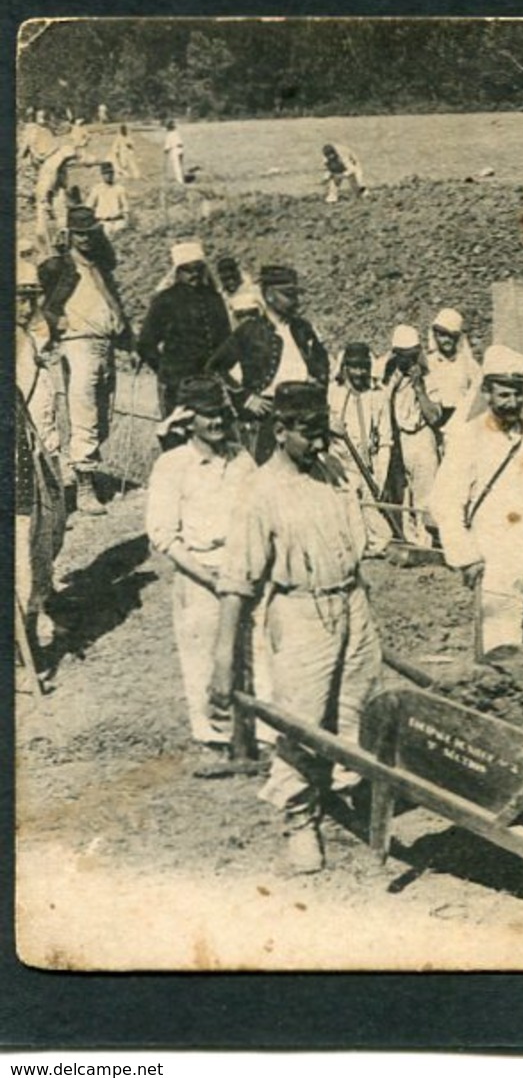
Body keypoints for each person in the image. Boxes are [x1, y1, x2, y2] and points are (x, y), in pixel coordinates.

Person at [209, 381, 382, 874]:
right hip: (300, 613)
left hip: (352, 602)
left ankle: (355, 792)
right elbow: (237, 581)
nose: (322, 445)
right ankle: (300, 820)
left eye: (324, 432)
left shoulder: (332, 473)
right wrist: (223, 660)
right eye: (310, 435)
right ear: (280, 430)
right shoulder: (260, 490)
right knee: (302, 720)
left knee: (360, 708)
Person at [146, 377, 258, 758]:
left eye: (221, 414)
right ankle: (218, 736)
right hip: (200, 573)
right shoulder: (172, 466)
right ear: (188, 419)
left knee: (253, 651)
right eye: (207, 414)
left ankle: (257, 730)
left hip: (244, 568)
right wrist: (208, 578)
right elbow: (164, 536)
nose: (217, 422)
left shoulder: (241, 459)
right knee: (206, 656)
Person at [432, 345, 523, 657]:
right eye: (504, 394)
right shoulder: (469, 438)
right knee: (502, 649)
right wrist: (466, 557)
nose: (512, 403)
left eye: (518, 394)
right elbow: (445, 503)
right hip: (496, 559)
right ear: (487, 393)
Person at [38, 205, 132, 515]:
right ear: (70, 234)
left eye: (91, 233)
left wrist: (125, 338)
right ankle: (84, 488)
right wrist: (56, 321)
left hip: (104, 345)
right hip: (78, 345)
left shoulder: (99, 267)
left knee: (103, 415)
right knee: (84, 412)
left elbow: (113, 301)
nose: (86, 239)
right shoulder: (59, 268)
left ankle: (87, 472)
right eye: (80, 233)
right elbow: (41, 304)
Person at [207, 265, 331, 463]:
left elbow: (322, 363)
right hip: (267, 417)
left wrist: (316, 384)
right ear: (269, 295)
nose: (295, 301)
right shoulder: (250, 330)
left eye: (295, 294)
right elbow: (215, 367)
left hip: (304, 416)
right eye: (288, 295)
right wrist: (246, 399)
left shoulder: (303, 328)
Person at [15, 261, 67, 654]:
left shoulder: (29, 335)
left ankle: (40, 603)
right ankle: (25, 626)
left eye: (30, 296)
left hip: (43, 449)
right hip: (22, 456)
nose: (24, 303)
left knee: (50, 531)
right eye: (18, 296)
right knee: (27, 540)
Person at [137, 240, 233, 417]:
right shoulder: (165, 300)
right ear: (177, 271)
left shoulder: (214, 298)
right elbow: (145, 344)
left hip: (210, 380)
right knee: (178, 429)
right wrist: (166, 371)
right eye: (188, 270)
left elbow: (226, 338)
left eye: (198, 269)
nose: (194, 274)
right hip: (177, 383)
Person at [376, 324, 444, 546]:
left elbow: (434, 416)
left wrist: (419, 388)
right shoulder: (388, 376)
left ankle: (427, 541)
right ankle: (409, 540)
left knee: (426, 494)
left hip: (421, 437)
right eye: (405, 357)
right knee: (402, 494)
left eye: (413, 356)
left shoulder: (430, 376)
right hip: (398, 441)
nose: (410, 361)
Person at [327, 341, 390, 550]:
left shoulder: (378, 396)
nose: (359, 372)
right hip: (339, 467)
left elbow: (385, 441)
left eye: (363, 366)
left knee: (383, 536)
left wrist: (379, 477)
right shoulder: (332, 394)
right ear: (345, 368)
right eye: (354, 367)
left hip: (367, 469)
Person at [423, 307, 479, 434]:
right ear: (435, 335)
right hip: (437, 423)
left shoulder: (467, 363)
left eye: (451, 336)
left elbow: (478, 387)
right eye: (442, 335)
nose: (447, 340)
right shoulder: (429, 363)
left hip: (462, 423)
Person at [86, 162, 130, 236]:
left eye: (110, 173)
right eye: (106, 173)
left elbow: (125, 207)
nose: (108, 175)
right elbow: (89, 206)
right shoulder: (97, 189)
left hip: (118, 221)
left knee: (121, 241)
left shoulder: (120, 188)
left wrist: (126, 222)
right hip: (103, 222)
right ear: (102, 175)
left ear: (113, 173)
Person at [163, 119, 186, 184]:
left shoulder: (168, 135)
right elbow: (181, 142)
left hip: (174, 150)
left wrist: (165, 151)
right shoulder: (176, 133)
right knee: (181, 165)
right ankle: (182, 179)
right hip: (180, 150)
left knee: (176, 166)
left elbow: (167, 146)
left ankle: (180, 181)